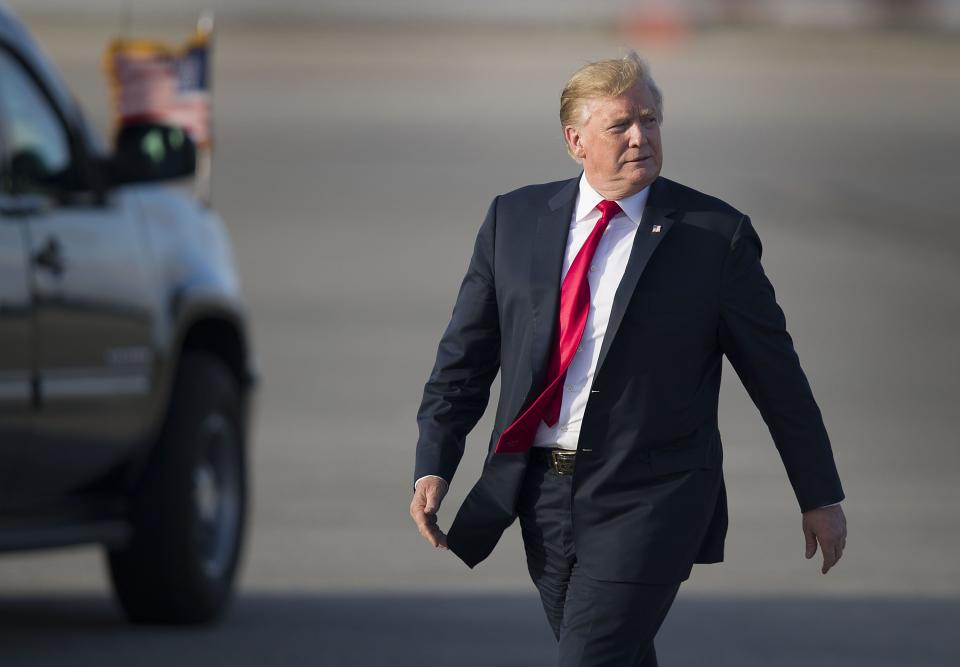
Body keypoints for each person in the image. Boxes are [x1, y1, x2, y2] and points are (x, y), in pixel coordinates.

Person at [409, 53, 847, 666]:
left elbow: (778, 379)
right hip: (540, 494)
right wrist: (435, 462)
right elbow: (464, 359)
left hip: (650, 497)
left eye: (651, 119)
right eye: (620, 126)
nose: (641, 136)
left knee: (590, 657)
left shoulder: (713, 236)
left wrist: (819, 494)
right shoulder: (514, 219)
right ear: (576, 141)